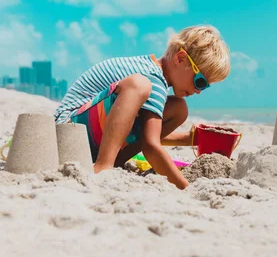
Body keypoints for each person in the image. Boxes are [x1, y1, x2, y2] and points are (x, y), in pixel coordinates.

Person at [54, 25, 230, 189]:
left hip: (86, 137)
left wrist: (189, 139)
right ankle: (103, 166)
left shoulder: (155, 76)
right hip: (66, 134)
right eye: (200, 82)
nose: (198, 91)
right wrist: (186, 188)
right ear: (181, 59)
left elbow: (140, 132)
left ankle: (112, 161)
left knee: (178, 108)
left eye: (205, 87)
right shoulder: (152, 78)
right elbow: (150, 146)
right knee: (139, 85)